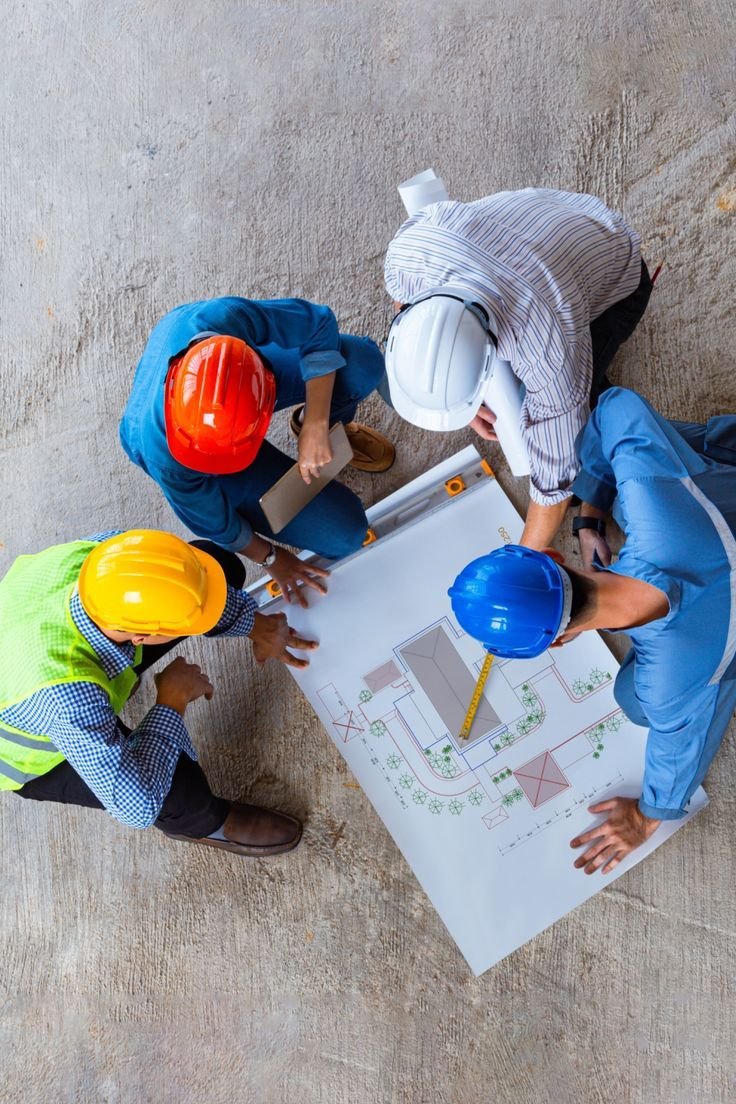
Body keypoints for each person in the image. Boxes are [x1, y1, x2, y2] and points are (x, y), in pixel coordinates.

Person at [449, 387, 736, 873]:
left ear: (558, 640)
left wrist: (648, 817)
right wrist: (590, 511)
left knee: (635, 703)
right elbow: (615, 405)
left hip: (701, 654)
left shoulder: (666, 688)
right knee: (644, 473)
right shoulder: (652, 497)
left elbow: (679, 756)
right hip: (709, 512)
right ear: (554, 557)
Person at [0, 528, 318, 858]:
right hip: (24, 754)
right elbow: (134, 805)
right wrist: (172, 701)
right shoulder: (67, 697)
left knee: (215, 569)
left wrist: (257, 625)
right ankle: (208, 824)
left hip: (37, 650)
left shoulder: (105, 556)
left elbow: (177, 589)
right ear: (141, 635)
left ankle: (118, 680)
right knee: (171, 791)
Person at [383, 187, 653, 549]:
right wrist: (462, 399)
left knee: (558, 432)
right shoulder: (409, 254)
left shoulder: (547, 344)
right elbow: (402, 303)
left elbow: (554, 484)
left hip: (617, 264)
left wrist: (521, 558)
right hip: (547, 219)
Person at [120, 297, 395, 605]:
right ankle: (298, 444)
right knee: (346, 533)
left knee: (360, 363)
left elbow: (317, 325)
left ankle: (313, 428)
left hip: (236, 380)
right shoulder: (167, 456)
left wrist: (317, 422)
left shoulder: (223, 321)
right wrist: (271, 559)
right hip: (183, 444)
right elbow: (215, 522)